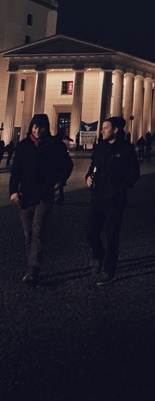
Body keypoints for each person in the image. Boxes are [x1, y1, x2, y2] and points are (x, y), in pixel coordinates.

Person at [9, 114, 73, 284]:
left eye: (41, 127)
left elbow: (68, 165)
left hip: (45, 194)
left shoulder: (54, 145)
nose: (37, 131)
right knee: (28, 233)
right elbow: (16, 171)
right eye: (34, 127)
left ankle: (33, 269)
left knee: (38, 231)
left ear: (47, 128)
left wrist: (60, 182)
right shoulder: (23, 146)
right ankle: (32, 264)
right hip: (26, 195)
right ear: (31, 127)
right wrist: (13, 191)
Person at [85, 116, 140, 286]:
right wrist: (88, 177)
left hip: (114, 200)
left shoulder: (126, 149)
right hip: (97, 196)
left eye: (105, 128)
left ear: (115, 130)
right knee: (90, 232)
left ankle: (109, 270)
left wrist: (120, 189)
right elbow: (93, 166)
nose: (101, 131)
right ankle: (99, 255)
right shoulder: (100, 147)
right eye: (102, 128)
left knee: (111, 235)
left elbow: (134, 173)